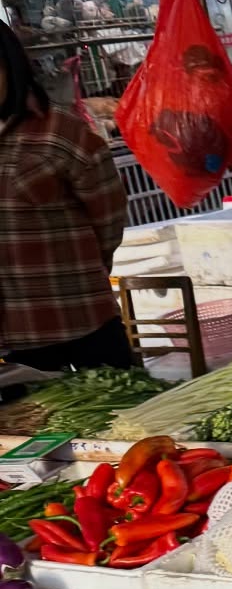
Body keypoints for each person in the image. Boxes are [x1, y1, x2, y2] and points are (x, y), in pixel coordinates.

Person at [0, 23, 132, 371]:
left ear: (10, 68)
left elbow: (109, 219)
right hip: (12, 342)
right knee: (27, 426)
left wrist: (82, 273)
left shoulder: (62, 133)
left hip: (80, 319)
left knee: (124, 420)